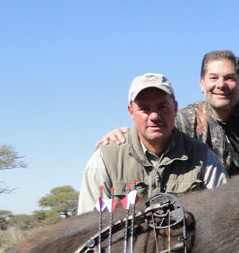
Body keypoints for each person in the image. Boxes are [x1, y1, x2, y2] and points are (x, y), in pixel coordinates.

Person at [96, 50, 239, 176]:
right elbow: (150, 134)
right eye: (213, 78)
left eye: (229, 78)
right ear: (201, 83)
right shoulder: (181, 120)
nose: (221, 85)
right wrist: (125, 134)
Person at [77, 73, 227, 214]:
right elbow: (87, 227)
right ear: (131, 112)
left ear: (175, 108)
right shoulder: (106, 159)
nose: (154, 116)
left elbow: (221, 216)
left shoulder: (203, 157)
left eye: (162, 107)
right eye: (144, 109)